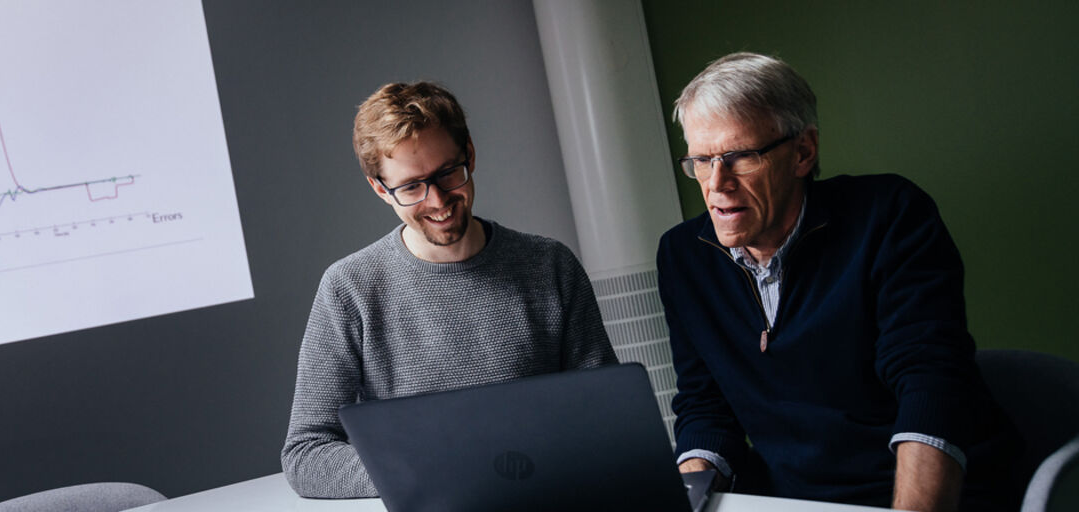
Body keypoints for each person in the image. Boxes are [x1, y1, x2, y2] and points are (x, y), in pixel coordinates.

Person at [656, 53, 1019, 511]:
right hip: (797, 501)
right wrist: (689, 497)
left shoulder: (890, 215)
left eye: (740, 157)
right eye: (702, 161)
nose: (717, 183)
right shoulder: (683, 256)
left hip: (930, 494)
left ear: (803, 152)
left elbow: (930, 381)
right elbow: (704, 407)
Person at [280, 81, 617, 498]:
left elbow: (608, 418)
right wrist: (429, 473)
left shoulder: (550, 265)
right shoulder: (349, 289)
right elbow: (306, 453)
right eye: (411, 187)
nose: (438, 200)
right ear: (380, 189)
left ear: (470, 155)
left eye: (447, 174)